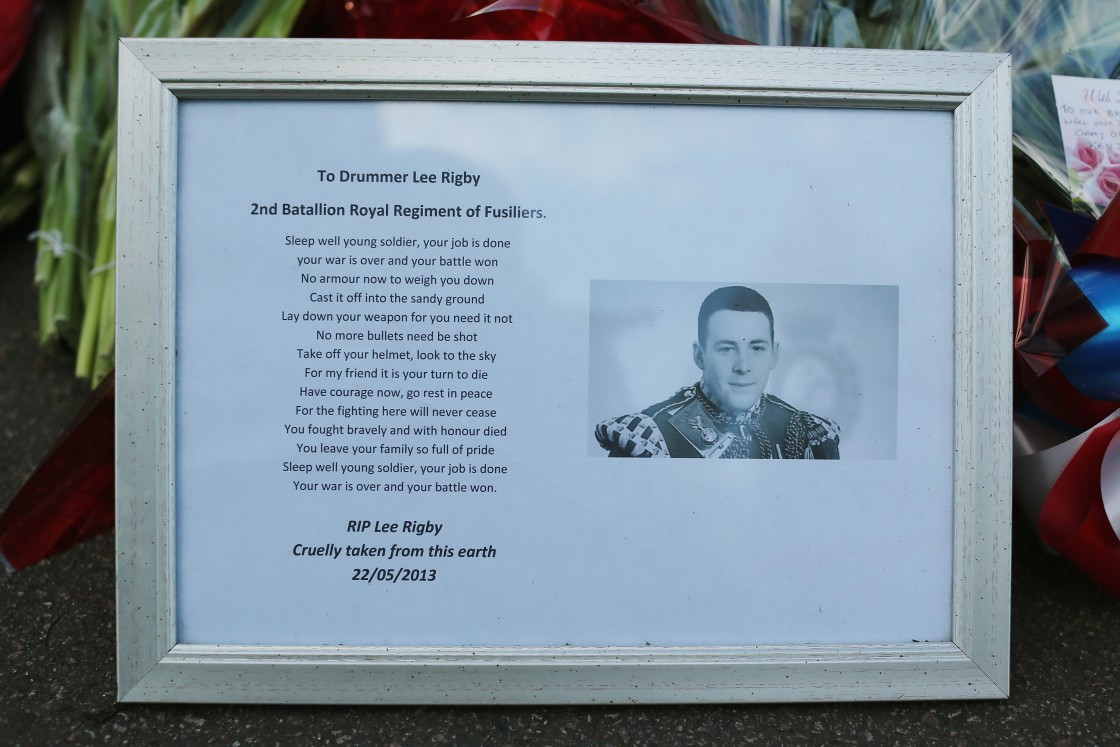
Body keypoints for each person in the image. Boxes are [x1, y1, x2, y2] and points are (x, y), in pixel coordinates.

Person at [595, 286, 840, 459]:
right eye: (726, 349)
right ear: (699, 356)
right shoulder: (647, 438)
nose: (743, 366)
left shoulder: (810, 434)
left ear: (774, 355)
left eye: (757, 348)